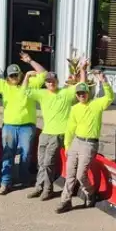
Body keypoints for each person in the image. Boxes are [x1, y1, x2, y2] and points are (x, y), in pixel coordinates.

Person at [0, 50, 46, 195]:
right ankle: (5, 182)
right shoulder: (3, 85)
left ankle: (24, 179)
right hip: (9, 126)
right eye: (11, 75)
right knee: (8, 154)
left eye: (16, 74)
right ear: (7, 77)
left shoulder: (31, 83)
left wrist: (30, 61)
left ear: (20, 74)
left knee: (26, 155)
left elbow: (44, 73)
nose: (14, 77)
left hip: (27, 126)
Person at [23, 58, 86, 200]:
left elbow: (81, 85)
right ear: (45, 83)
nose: (50, 83)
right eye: (48, 81)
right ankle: (39, 187)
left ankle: (48, 188)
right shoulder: (42, 94)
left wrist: (82, 70)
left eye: (53, 81)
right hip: (45, 132)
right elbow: (26, 91)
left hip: (58, 133)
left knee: (48, 162)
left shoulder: (65, 93)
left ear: (57, 81)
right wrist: (27, 76)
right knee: (41, 162)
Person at [57, 72, 114, 214]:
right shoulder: (75, 108)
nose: (81, 95)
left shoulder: (96, 104)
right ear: (76, 95)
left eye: (84, 93)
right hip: (76, 141)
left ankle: (90, 193)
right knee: (70, 174)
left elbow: (110, 97)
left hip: (89, 144)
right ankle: (65, 201)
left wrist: (104, 82)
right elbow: (70, 128)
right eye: (79, 93)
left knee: (80, 175)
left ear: (88, 93)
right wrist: (67, 145)